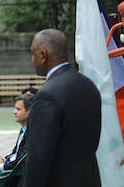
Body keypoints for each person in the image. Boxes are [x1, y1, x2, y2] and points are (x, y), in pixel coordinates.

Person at [25, 28, 101, 187]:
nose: (31, 59)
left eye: (32, 53)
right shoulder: (89, 85)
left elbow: (39, 158)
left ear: (43, 55)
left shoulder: (46, 95)